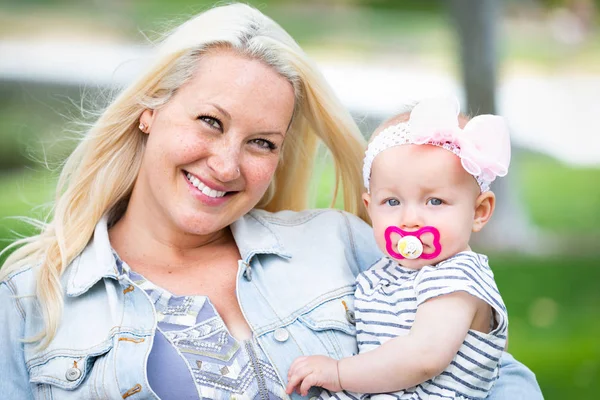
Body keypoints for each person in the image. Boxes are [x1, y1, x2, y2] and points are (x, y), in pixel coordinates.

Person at [0, 3, 542, 400]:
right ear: (150, 111)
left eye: (262, 143)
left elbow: (499, 380)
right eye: (210, 122)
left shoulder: (343, 244)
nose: (227, 165)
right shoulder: (29, 300)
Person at [286, 97, 518, 399]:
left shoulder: (458, 280)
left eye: (435, 201)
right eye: (392, 202)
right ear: (370, 208)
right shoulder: (385, 272)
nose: (410, 219)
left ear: (479, 212)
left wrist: (339, 372)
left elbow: (423, 357)